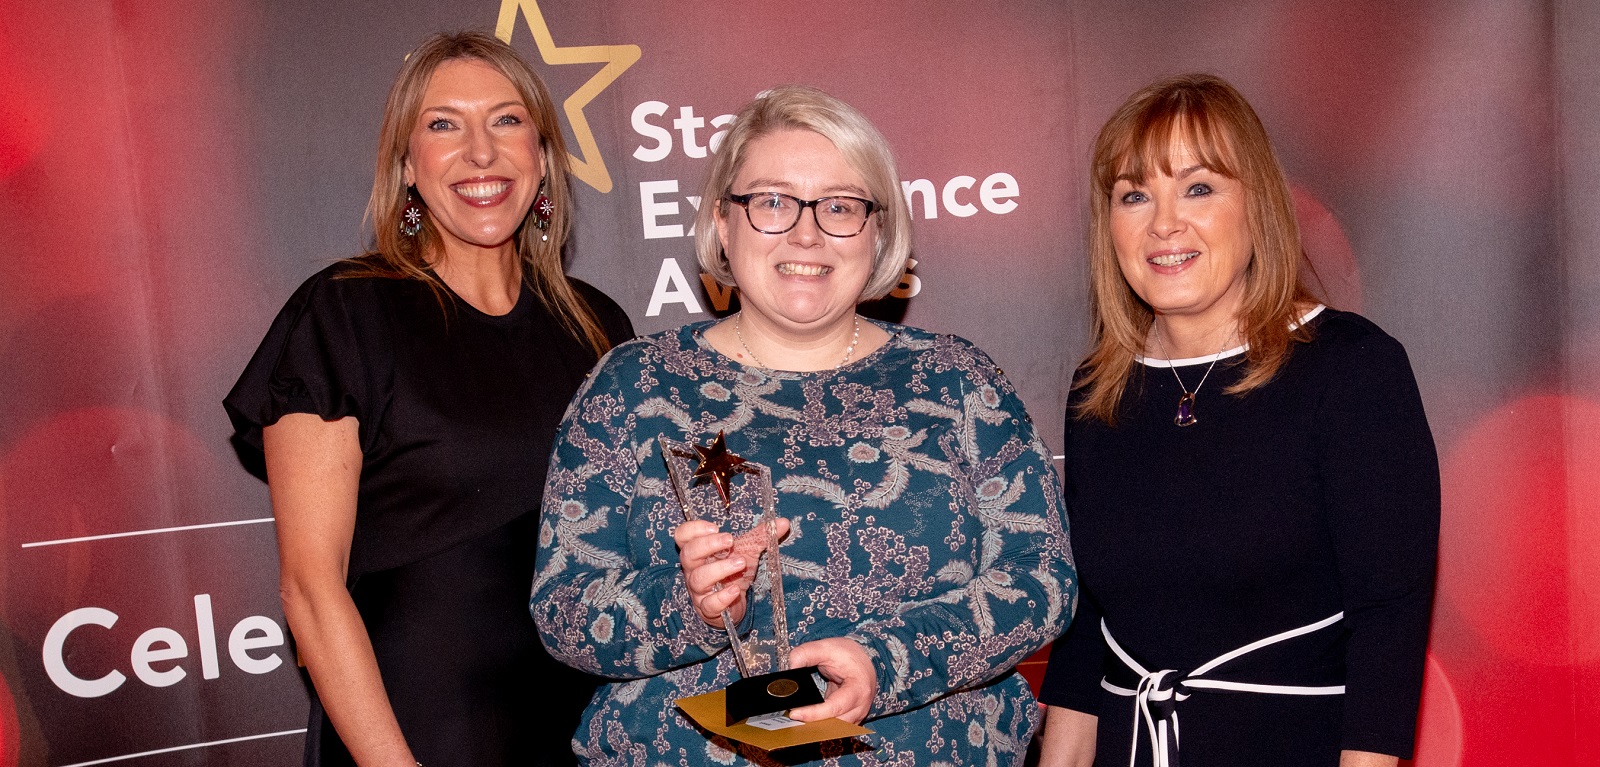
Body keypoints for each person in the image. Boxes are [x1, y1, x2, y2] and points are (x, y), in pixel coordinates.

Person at [532, 85, 1074, 765]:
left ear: (879, 231)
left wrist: (889, 659)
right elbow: (563, 607)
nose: (806, 231)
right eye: (772, 202)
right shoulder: (633, 385)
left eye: (840, 206)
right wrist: (689, 604)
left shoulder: (960, 382)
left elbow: (1042, 578)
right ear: (723, 224)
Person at [224, 31, 633, 767]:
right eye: (444, 124)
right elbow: (311, 588)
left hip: (584, 729)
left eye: (506, 120)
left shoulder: (597, 324)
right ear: (408, 167)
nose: (481, 151)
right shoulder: (345, 315)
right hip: (419, 729)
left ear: (541, 155)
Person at [1035, 73, 1439, 767]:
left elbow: (1388, 625)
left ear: (1258, 206)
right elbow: (1088, 633)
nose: (1165, 224)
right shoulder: (1096, 392)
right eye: (1135, 195)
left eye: (1199, 187)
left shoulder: (1351, 370)